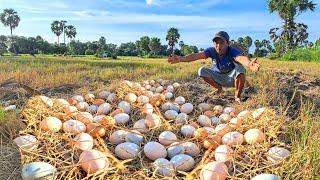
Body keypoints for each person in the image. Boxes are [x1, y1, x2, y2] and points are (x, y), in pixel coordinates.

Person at [168, 31, 260, 103]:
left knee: (240, 69)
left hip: (231, 78)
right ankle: (219, 89)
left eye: (221, 43)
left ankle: (237, 96)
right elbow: (196, 56)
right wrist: (181, 58)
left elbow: (240, 58)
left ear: (227, 43)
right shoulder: (211, 51)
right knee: (202, 70)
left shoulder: (232, 51)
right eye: (216, 43)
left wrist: (249, 64)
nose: (218, 46)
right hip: (218, 77)